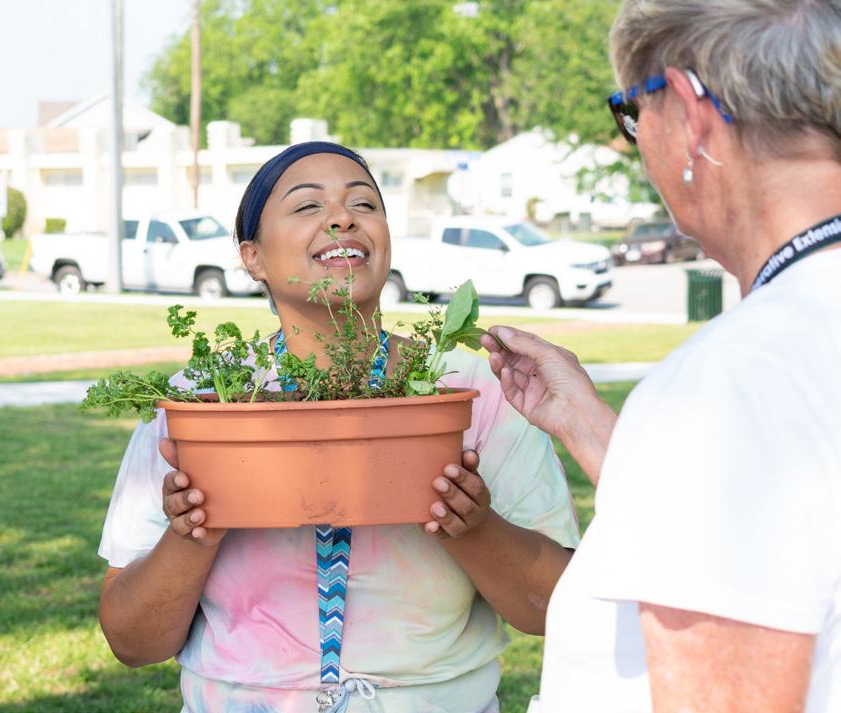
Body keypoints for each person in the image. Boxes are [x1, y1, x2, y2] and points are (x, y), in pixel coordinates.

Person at [96, 141, 579, 713]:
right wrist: (192, 532)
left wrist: (471, 526)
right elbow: (133, 643)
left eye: (364, 204)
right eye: (307, 206)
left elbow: (556, 610)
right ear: (253, 258)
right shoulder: (201, 406)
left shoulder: (472, 394)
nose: (343, 218)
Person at [483, 1, 841, 711]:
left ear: (687, 110)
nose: (634, 142)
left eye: (631, 111)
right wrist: (590, 427)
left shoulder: (732, 378)